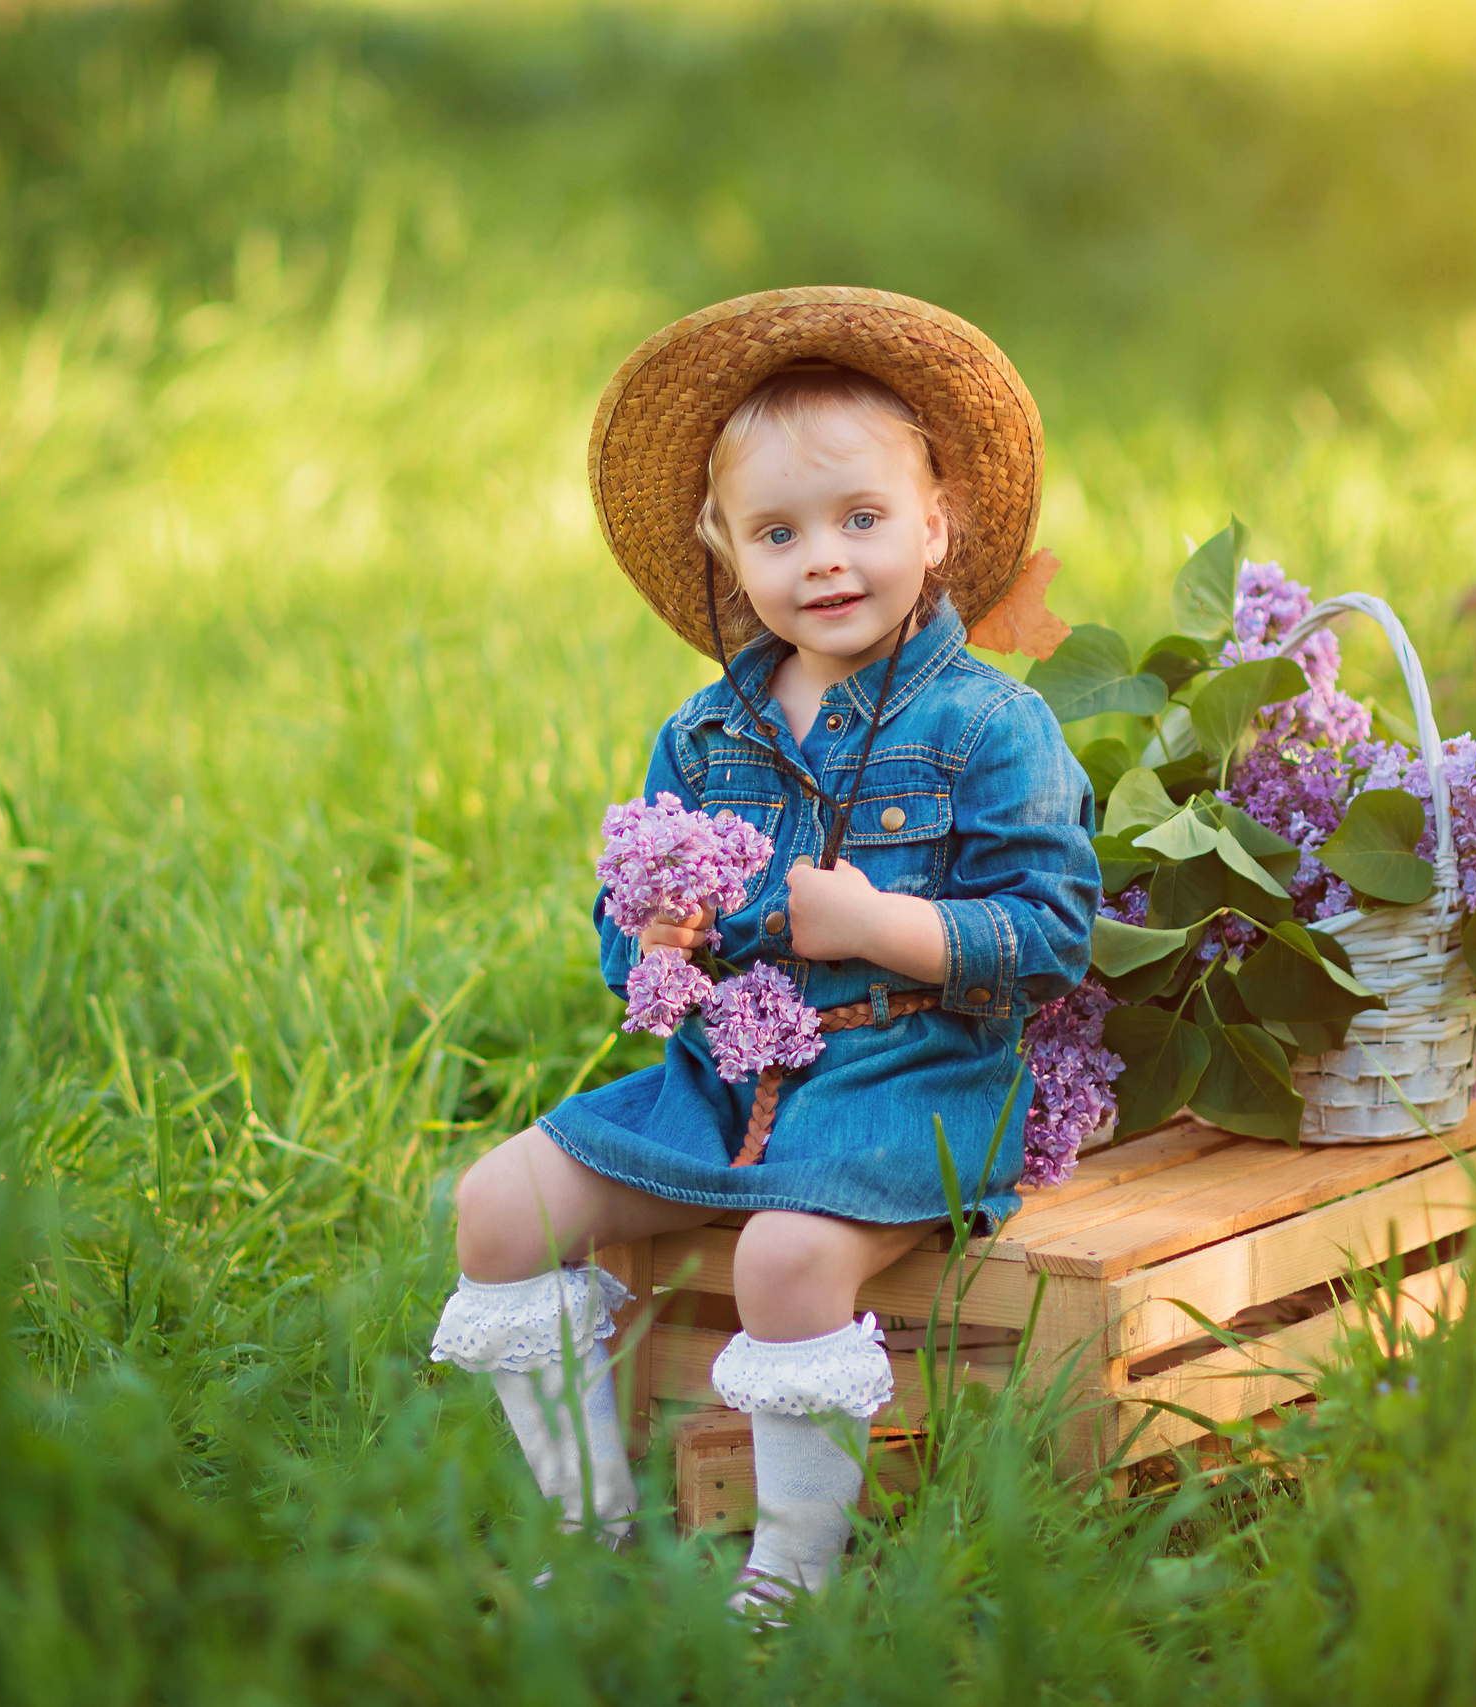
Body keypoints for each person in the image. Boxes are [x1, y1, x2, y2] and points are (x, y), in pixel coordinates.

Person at [426, 288, 1098, 1613]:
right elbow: (634, 944)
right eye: (780, 532)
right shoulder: (703, 735)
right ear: (726, 551)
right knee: (497, 1208)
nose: (826, 561)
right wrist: (653, 942)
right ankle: (593, 1524)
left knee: (781, 1262)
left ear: (937, 524)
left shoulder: (988, 725)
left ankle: (792, 1568)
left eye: (863, 519)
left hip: (913, 1079)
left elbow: (1051, 935)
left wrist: (881, 928)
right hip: (724, 1083)